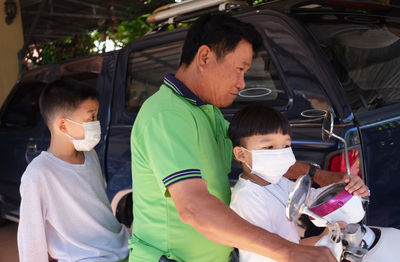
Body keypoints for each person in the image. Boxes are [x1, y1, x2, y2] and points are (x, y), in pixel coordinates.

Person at [129, 13, 367, 262]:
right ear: (205, 57)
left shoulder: (206, 112)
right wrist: (290, 251)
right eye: (239, 69)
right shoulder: (168, 115)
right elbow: (194, 207)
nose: (242, 83)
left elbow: (263, 157)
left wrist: (324, 177)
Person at [228, 105, 370, 262]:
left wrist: (350, 187)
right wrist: (325, 239)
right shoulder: (247, 198)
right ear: (241, 154)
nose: (280, 153)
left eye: (286, 146)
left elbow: (317, 200)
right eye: (269, 147)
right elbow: (268, 256)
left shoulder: (277, 182)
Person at [18, 78, 130, 262]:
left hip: (121, 246)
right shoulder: (38, 174)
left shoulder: (90, 155)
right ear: (63, 125)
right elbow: (31, 240)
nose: (96, 123)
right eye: (91, 117)